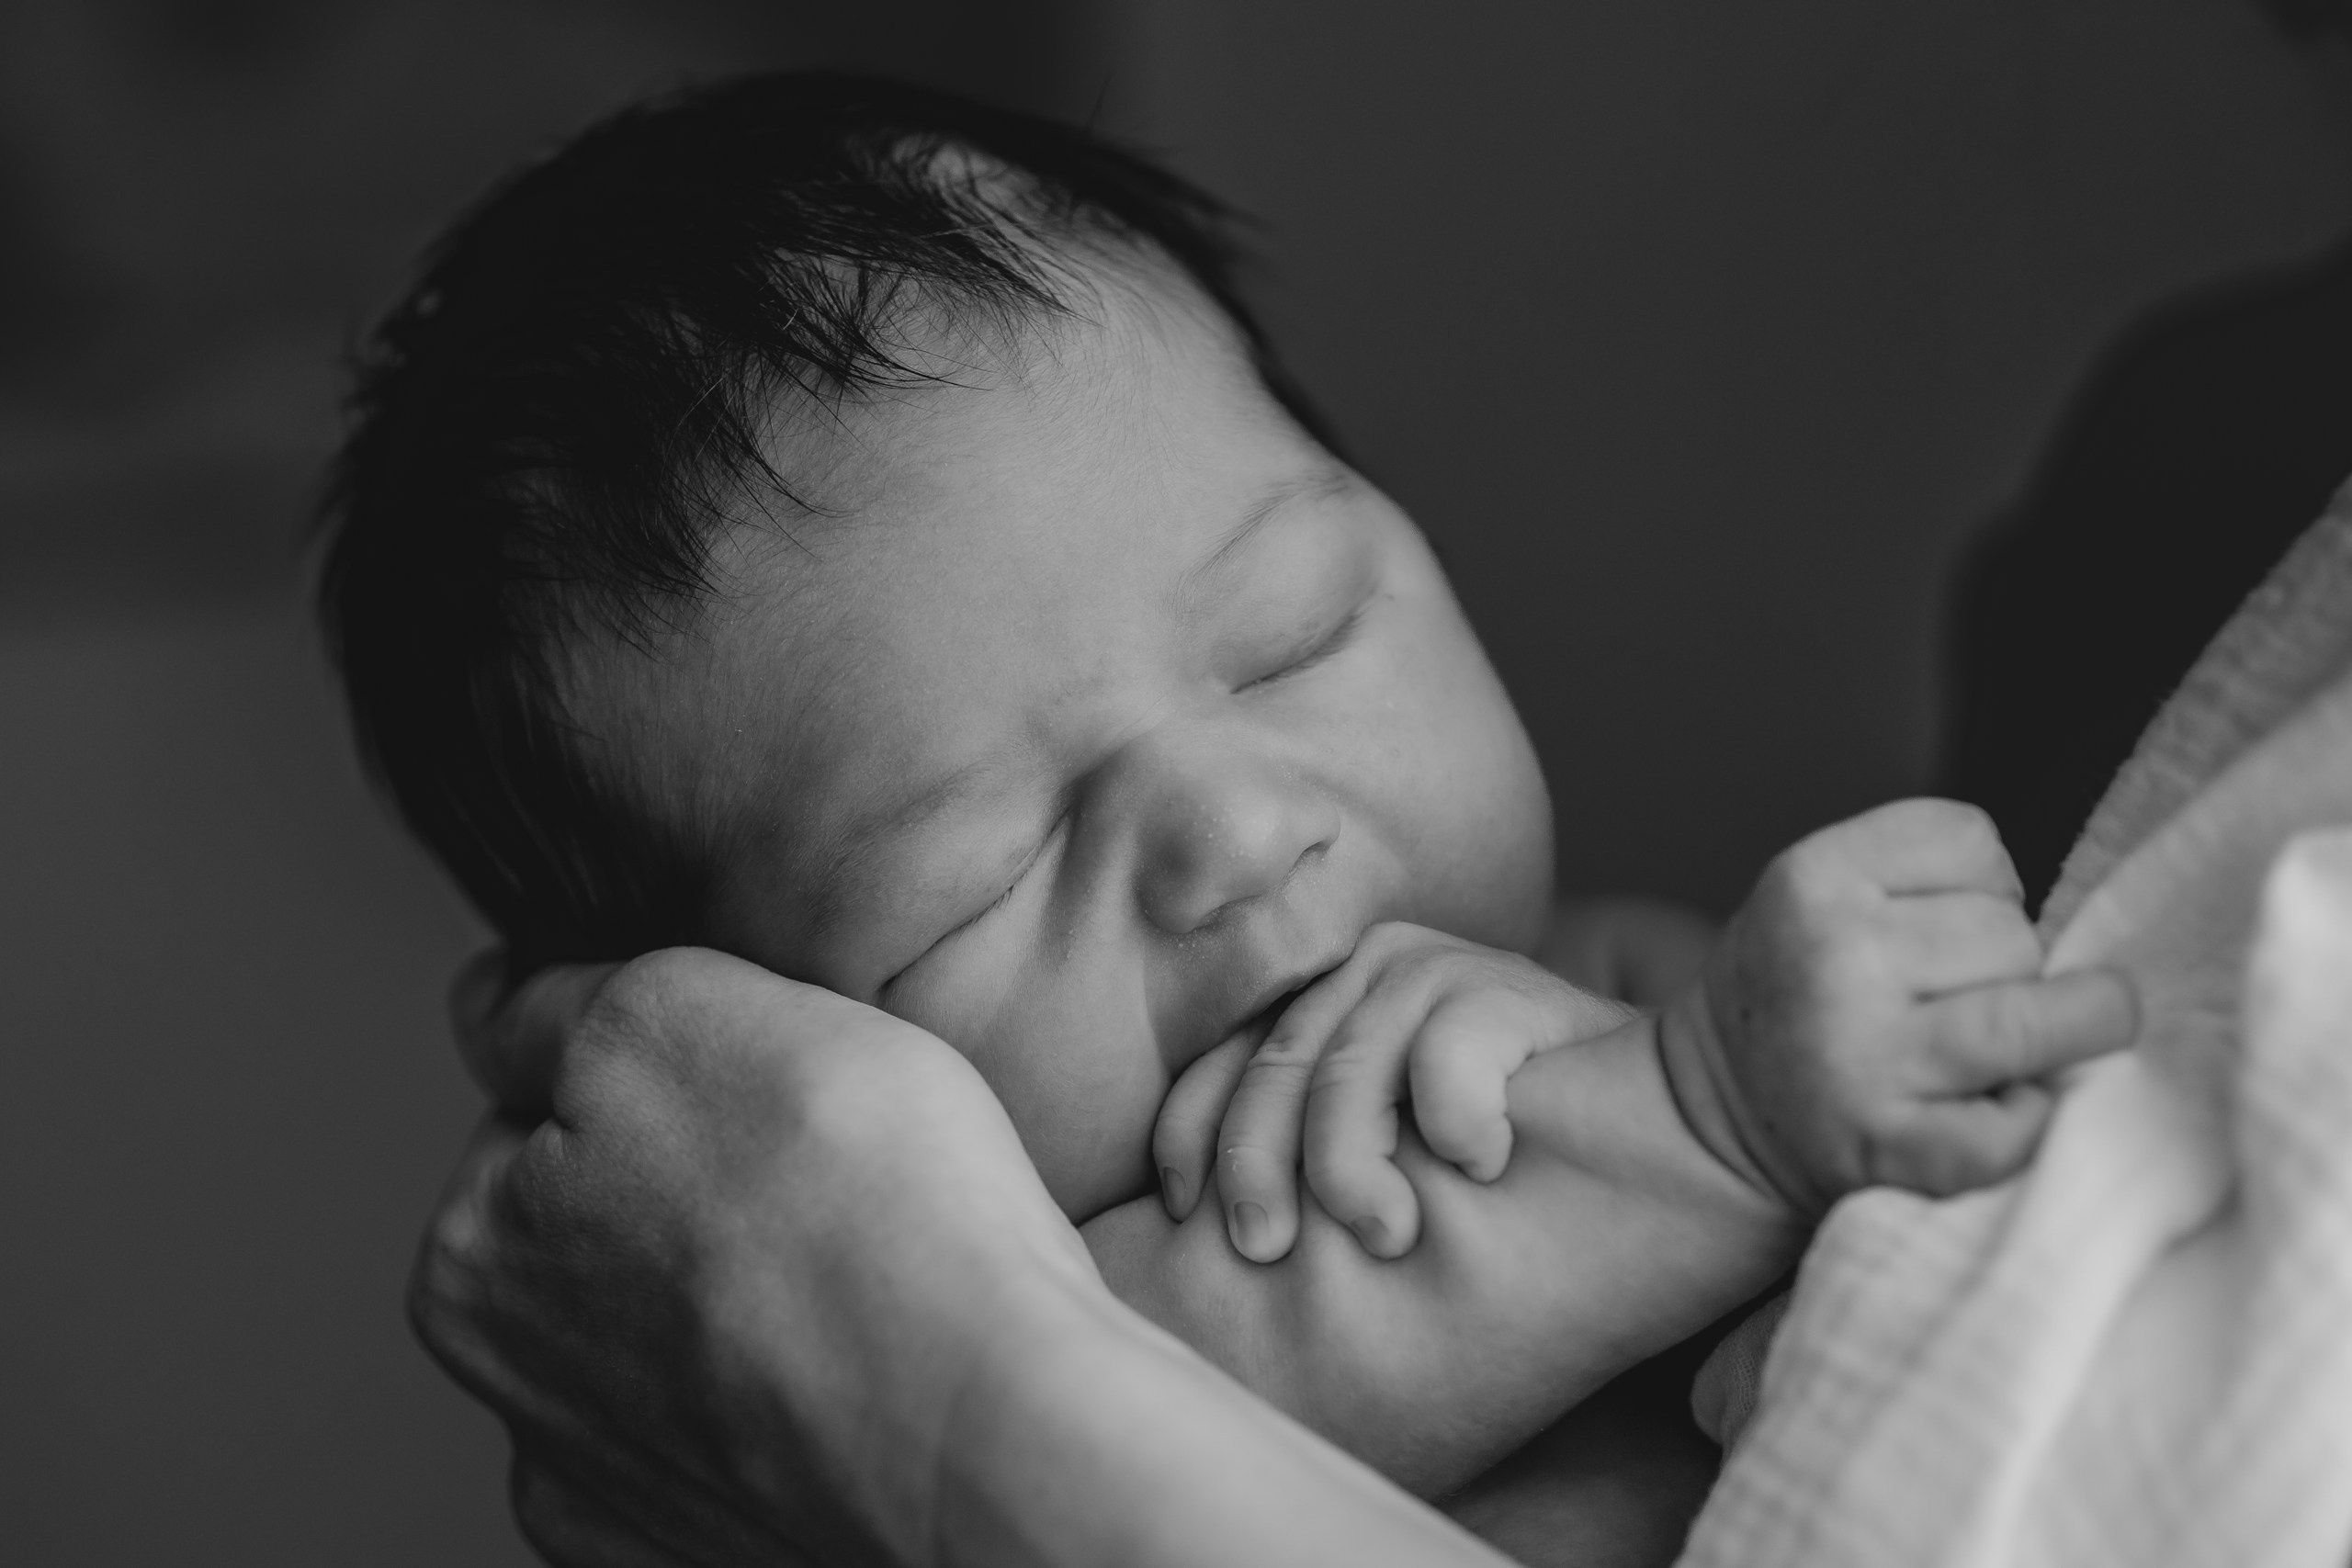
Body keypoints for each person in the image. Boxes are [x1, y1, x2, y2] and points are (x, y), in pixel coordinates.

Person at [340, 74, 2132, 1559]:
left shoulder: (1625, 973)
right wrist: (1704, 1122)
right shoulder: (973, 1307)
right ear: (729, 1066)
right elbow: (1090, 1374)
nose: (1226, 838)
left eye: (1289, 640)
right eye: (978, 871)